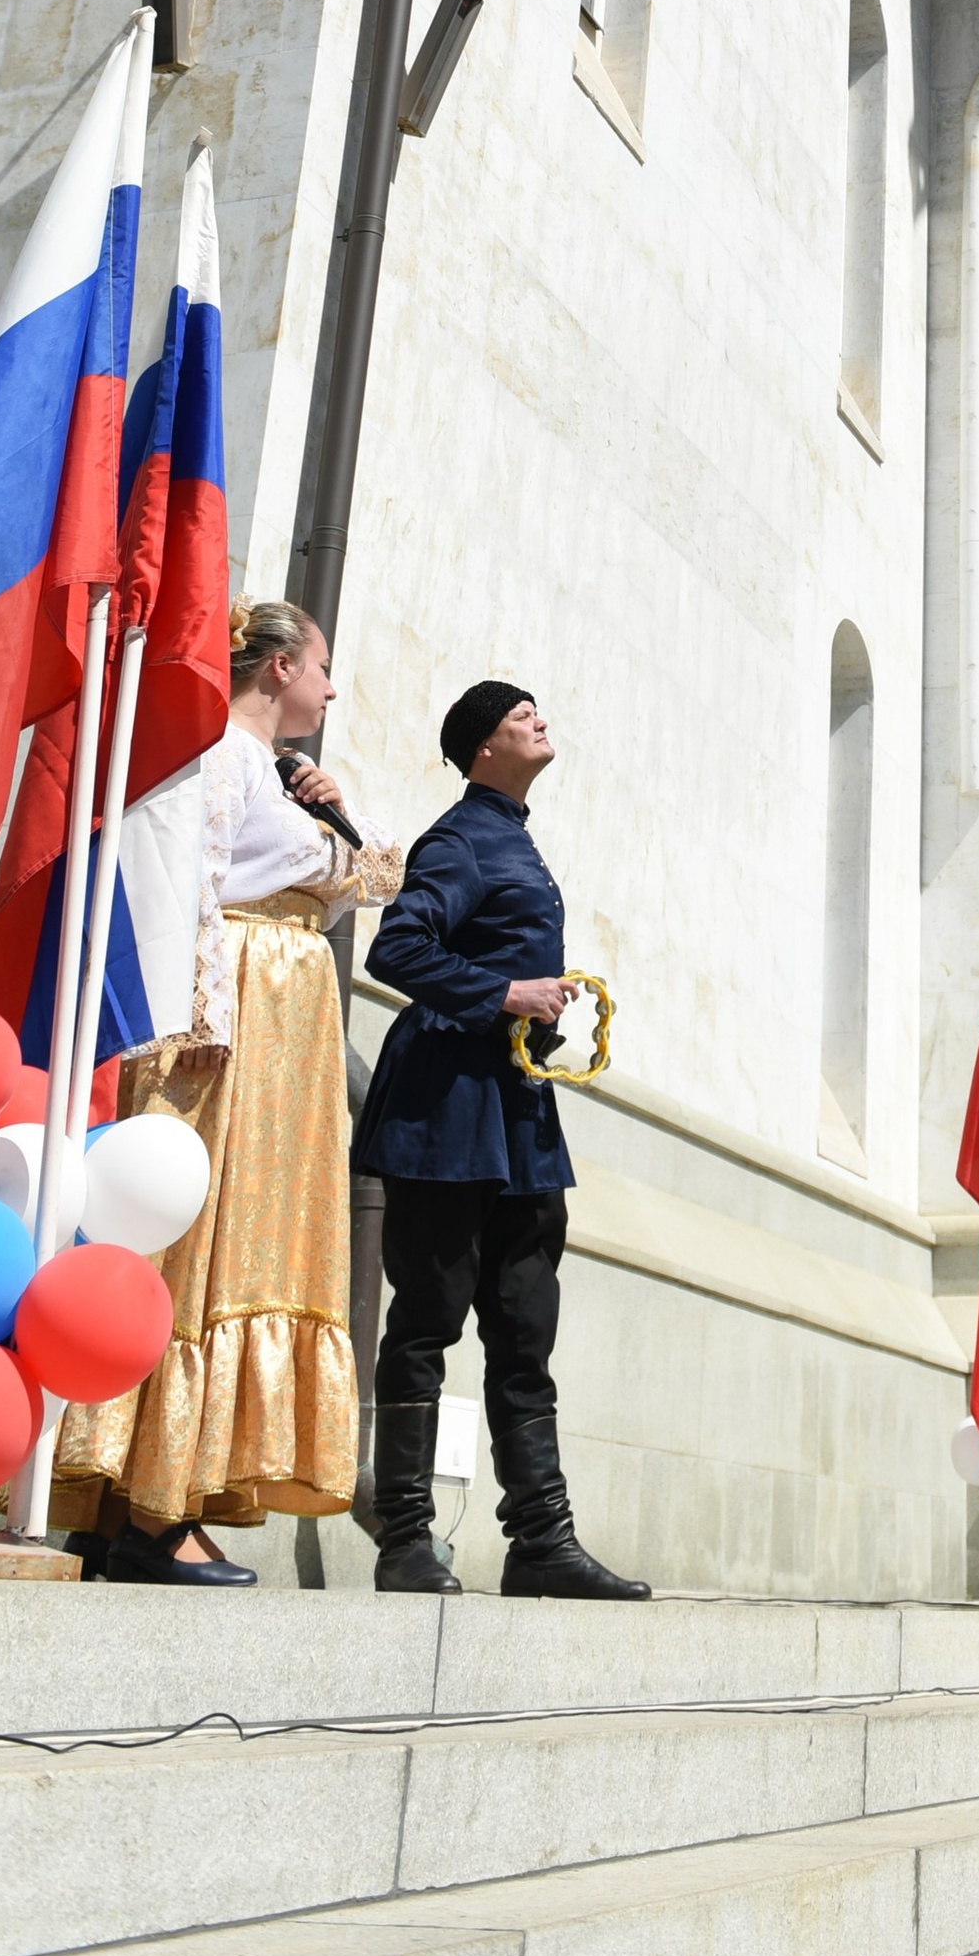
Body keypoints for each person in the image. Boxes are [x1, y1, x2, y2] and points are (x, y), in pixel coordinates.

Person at [54, 598, 402, 1586]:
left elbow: (381, 874)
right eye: (321, 667)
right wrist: (203, 1008)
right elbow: (191, 879)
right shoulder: (222, 751)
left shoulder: (282, 774)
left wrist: (334, 805)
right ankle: (148, 1511)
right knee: (198, 1238)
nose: (330, 689)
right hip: (235, 1002)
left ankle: (139, 1500)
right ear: (280, 665)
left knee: (249, 1232)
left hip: (282, 1012)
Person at [353, 678, 649, 1600]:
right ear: (484, 745)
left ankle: (541, 1544)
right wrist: (504, 992)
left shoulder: (514, 837)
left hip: (517, 1111)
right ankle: (404, 1541)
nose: (539, 719)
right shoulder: (458, 837)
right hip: (445, 1110)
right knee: (426, 1318)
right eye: (520, 714)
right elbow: (395, 947)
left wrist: (534, 1001)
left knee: (524, 1329)